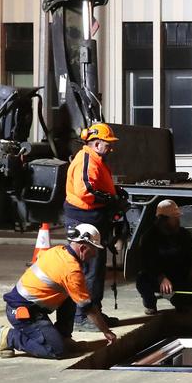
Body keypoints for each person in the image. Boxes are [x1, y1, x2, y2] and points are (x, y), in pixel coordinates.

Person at [0, 223, 117, 359]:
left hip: (34, 307)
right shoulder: (71, 270)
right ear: (83, 248)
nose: (94, 254)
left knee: (73, 295)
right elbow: (88, 308)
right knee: (57, 351)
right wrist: (106, 332)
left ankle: (64, 338)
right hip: (23, 313)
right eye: (93, 249)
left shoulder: (59, 250)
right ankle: (10, 337)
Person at [64, 122, 122, 331]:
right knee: (89, 269)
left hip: (91, 217)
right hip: (84, 218)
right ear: (97, 144)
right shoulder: (87, 160)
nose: (111, 148)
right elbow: (85, 190)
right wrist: (110, 199)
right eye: (108, 144)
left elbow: (95, 185)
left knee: (95, 269)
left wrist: (115, 193)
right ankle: (82, 316)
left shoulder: (95, 158)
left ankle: (93, 311)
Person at [135, 199, 192, 315]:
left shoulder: (183, 234)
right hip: (158, 277)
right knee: (142, 280)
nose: (178, 220)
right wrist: (160, 277)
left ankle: (178, 300)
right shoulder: (149, 237)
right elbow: (147, 263)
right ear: (163, 220)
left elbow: (191, 256)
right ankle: (150, 304)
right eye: (175, 218)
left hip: (178, 276)